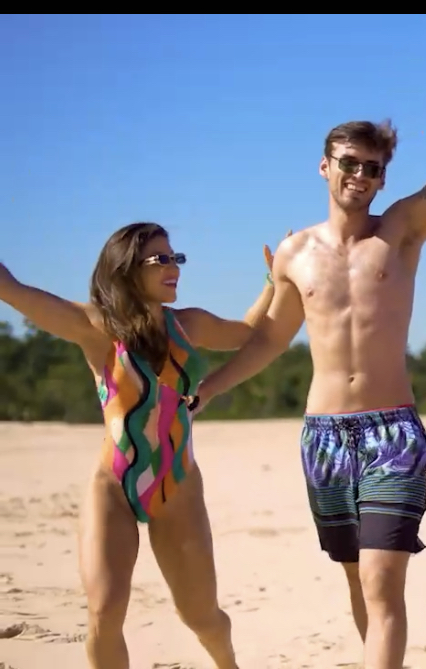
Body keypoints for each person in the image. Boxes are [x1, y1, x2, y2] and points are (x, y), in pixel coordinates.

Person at [186, 18, 426, 669]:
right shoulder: (294, 252)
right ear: (325, 166)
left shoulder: (399, 230)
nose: (362, 175)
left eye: (374, 168)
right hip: (323, 436)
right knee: (357, 582)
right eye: (350, 164)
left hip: (391, 432)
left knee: (381, 583)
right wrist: (209, 388)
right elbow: (269, 339)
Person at [0, 222, 279, 669]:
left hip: (178, 487)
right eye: (160, 260)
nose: (174, 268)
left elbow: (247, 330)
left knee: (202, 616)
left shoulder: (188, 325)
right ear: (127, 268)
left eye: (175, 258)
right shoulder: (95, 327)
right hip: (113, 488)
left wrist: (272, 281)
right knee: (104, 611)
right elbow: (13, 290)